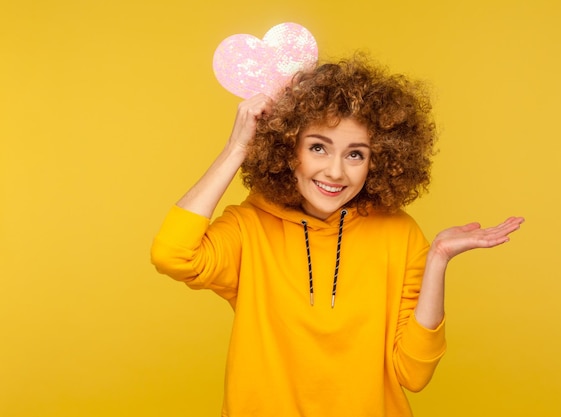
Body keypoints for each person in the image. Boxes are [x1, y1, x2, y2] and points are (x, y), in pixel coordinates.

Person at [150, 55, 523, 417]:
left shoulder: (400, 233)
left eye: (356, 155)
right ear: (286, 149)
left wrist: (438, 258)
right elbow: (173, 254)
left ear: (379, 161)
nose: (335, 171)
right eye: (317, 148)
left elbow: (414, 373)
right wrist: (237, 149)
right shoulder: (250, 227)